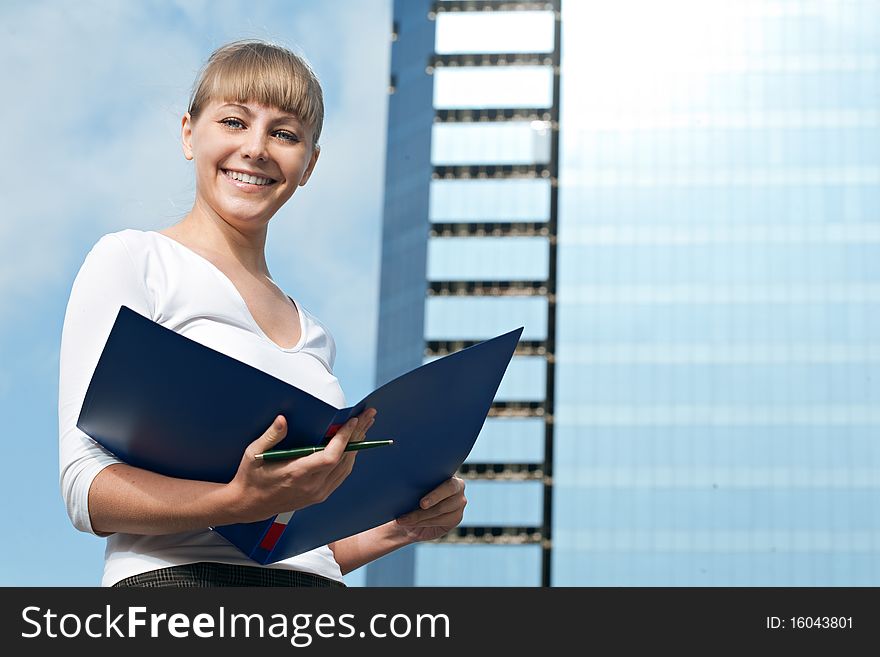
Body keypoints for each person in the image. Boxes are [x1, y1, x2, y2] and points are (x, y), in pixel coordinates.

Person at [58, 39, 466, 587]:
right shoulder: (135, 261)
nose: (256, 149)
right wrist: (233, 499)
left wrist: (403, 527)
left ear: (309, 164)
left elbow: (299, 542)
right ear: (188, 133)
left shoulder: (314, 334)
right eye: (234, 121)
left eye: (284, 134)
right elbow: (85, 488)